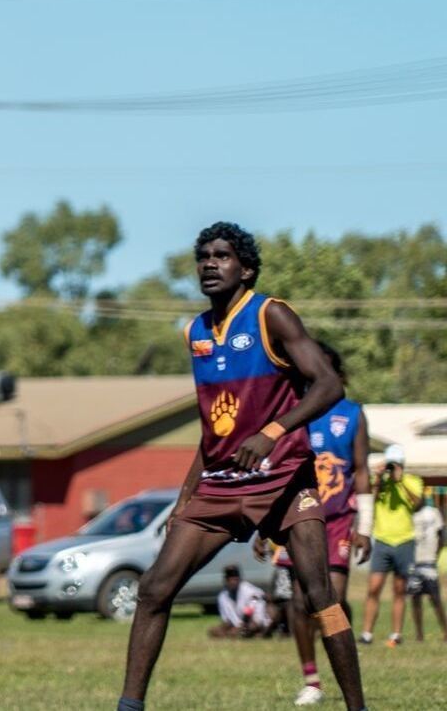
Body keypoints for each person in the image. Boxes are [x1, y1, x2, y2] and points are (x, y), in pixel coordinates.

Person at [118, 223, 366, 711]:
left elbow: (328, 385)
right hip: (222, 484)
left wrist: (273, 431)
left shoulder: (271, 315)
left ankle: (357, 707)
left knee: (320, 595)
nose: (210, 264)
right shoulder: (195, 332)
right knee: (153, 590)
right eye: (203, 256)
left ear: (246, 268)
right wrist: (186, 497)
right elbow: (213, 429)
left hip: (286, 481)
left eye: (222, 256)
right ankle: (129, 707)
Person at [252, 342, 372, 705]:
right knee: (300, 599)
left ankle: (344, 656)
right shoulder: (288, 414)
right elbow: (270, 471)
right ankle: (312, 680)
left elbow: (363, 470)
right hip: (295, 513)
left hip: (337, 519)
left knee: (328, 595)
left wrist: (365, 525)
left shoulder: (352, 414)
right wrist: (261, 524)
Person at [360, 444, 425, 647]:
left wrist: (401, 481)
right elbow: (370, 497)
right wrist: (379, 478)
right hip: (382, 540)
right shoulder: (381, 482)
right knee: (374, 588)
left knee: (399, 589)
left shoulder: (413, 481)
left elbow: (417, 503)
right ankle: (367, 634)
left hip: (404, 540)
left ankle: (396, 634)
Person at [407, 495, 445, 643]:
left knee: (435, 598)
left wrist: (436, 554)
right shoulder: (409, 514)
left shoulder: (433, 512)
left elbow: (441, 535)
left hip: (429, 562)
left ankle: (445, 632)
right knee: (415, 599)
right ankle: (419, 635)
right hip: (413, 562)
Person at [210, 566, 273, 638]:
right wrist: (225, 627)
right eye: (230, 580)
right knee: (214, 631)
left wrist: (241, 628)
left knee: (241, 631)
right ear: (226, 581)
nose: (233, 582)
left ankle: (256, 634)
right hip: (239, 625)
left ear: (239, 579)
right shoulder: (223, 596)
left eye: (235, 579)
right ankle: (234, 635)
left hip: (255, 622)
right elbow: (227, 620)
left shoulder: (249, 591)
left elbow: (257, 619)